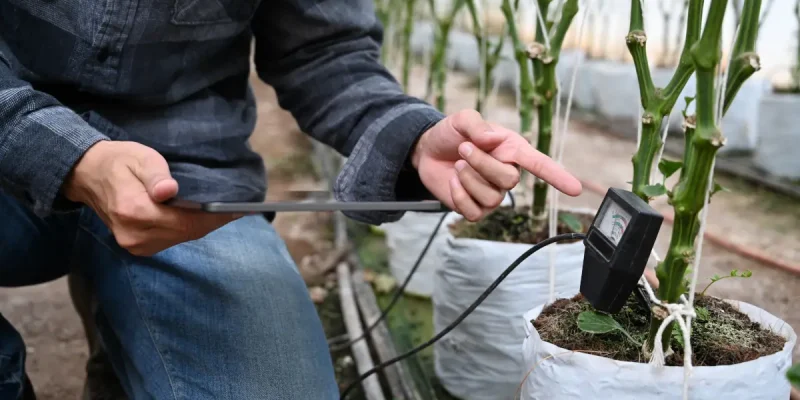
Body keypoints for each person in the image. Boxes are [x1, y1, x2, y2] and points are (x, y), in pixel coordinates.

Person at [0, 0, 582, 399]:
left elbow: (324, 50)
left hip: (184, 183)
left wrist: (409, 135)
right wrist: (69, 155)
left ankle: (126, 340)